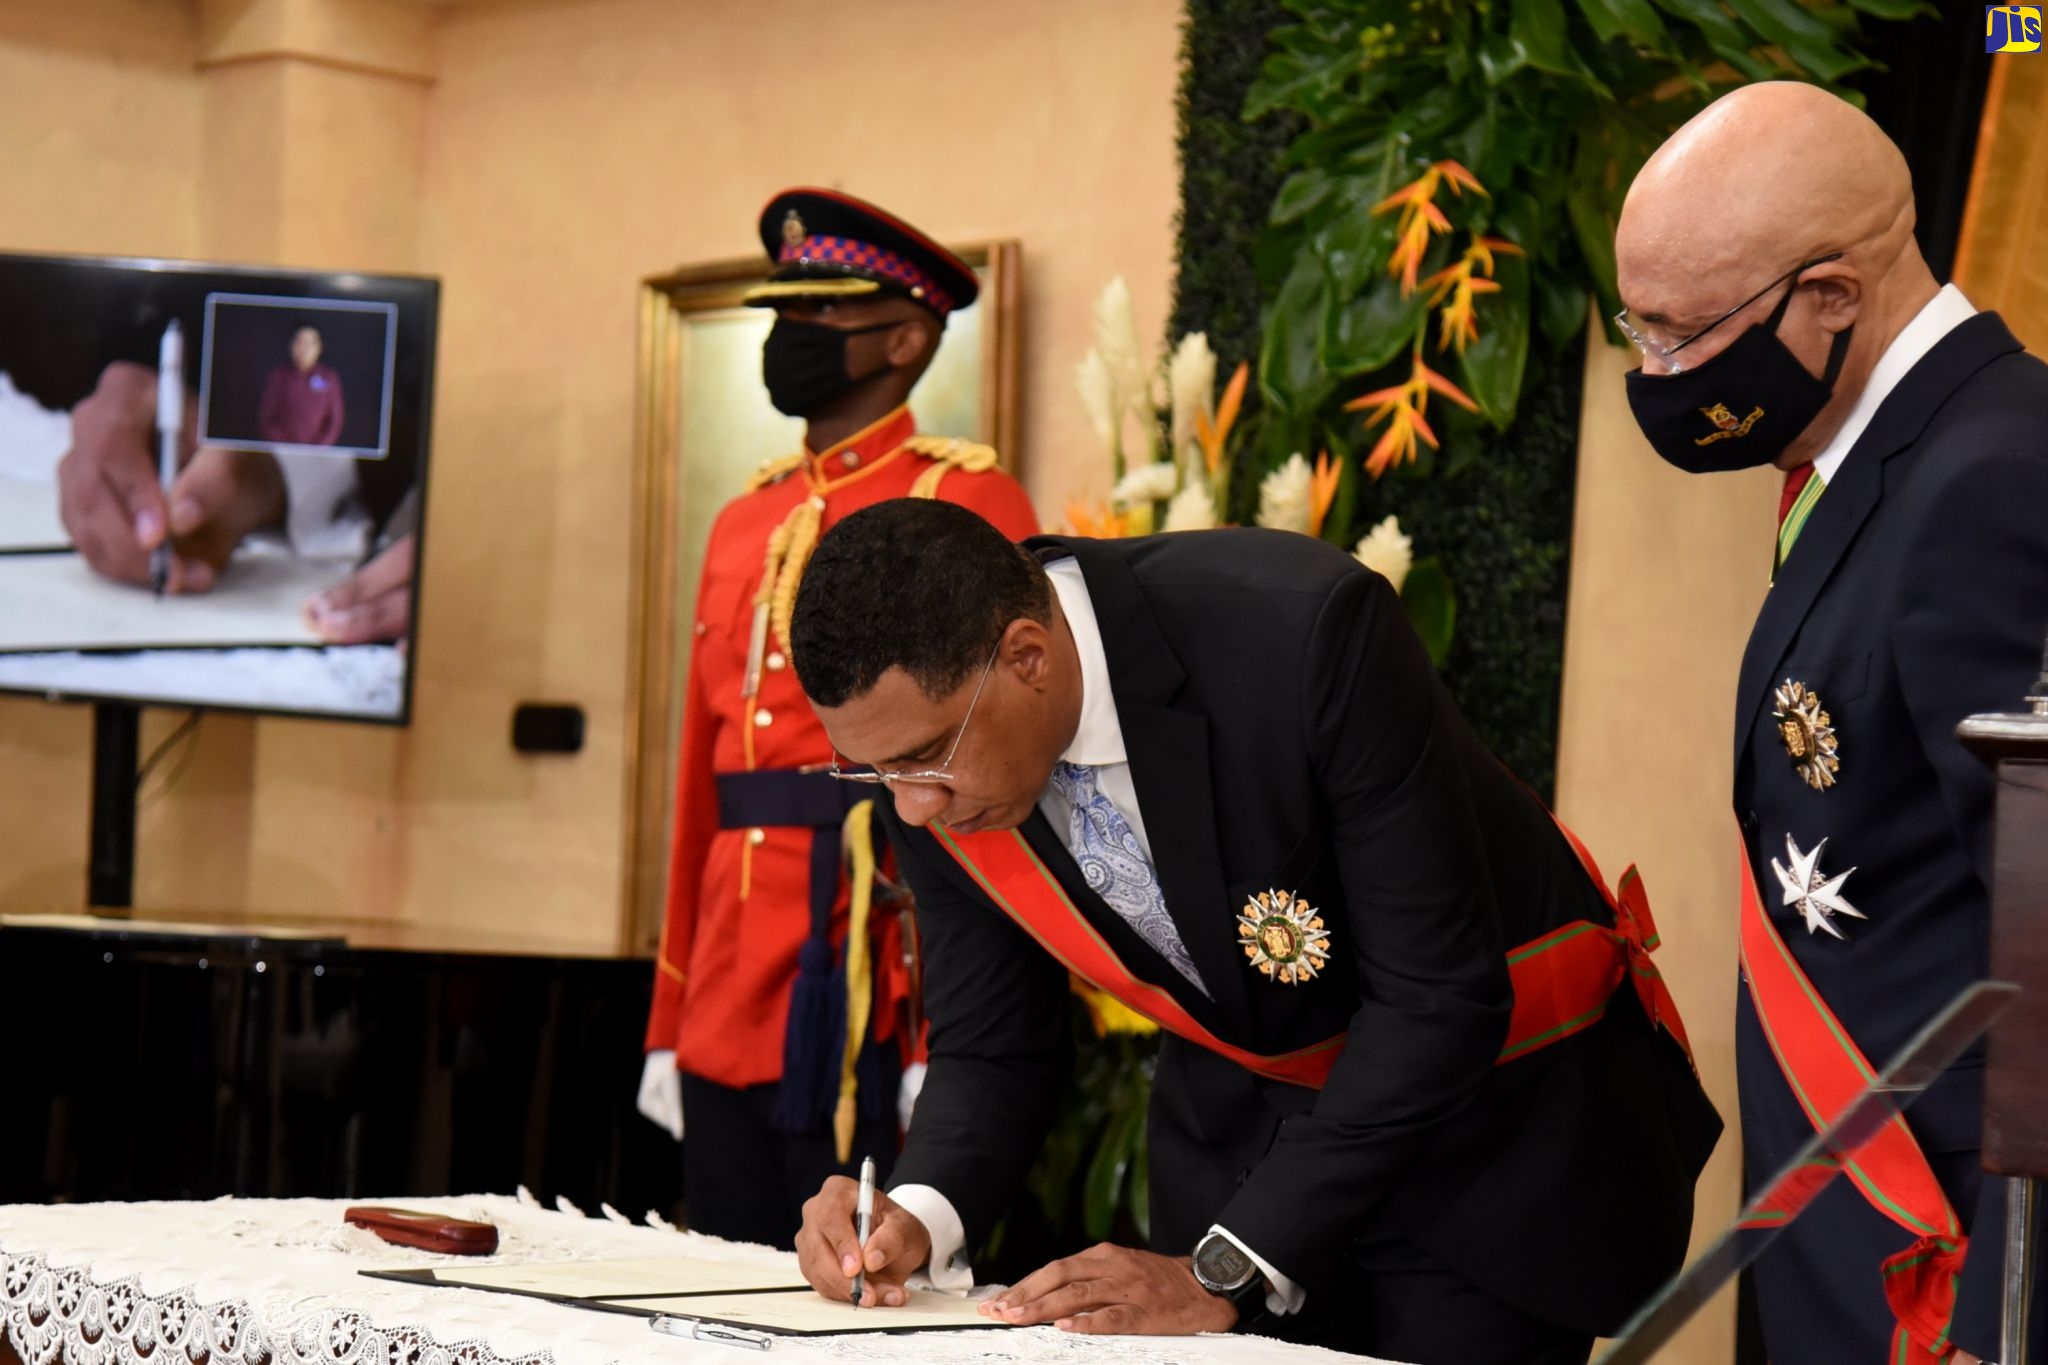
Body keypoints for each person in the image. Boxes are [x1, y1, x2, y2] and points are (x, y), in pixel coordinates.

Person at [782, 499, 1720, 1365]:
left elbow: (1436, 1000)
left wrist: (1226, 1265)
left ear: (1028, 656)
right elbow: (994, 1042)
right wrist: (916, 1212)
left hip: (1481, 1161)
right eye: (871, 772)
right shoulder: (935, 763)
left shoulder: (1302, 631)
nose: (911, 806)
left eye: (922, 760)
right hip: (1236, 1163)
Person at [1615, 81, 2048, 1364]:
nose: (1657, 374)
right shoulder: (1873, 457)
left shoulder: (1990, 478)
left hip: (1942, 1251)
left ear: (1831, 296)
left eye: (1683, 334)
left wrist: (2002, 1314)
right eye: (1638, 329)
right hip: (1848, 1215)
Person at [635, 189, 1040, 1250]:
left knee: (864, 1288)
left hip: (874, 968)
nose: (792, 335)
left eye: (819, 313)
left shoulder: (964, 499)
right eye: (785, 313)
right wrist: (670, 1013)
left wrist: (948, 1037)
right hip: (729, 986)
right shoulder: (743, 518)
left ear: (905, 338)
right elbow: (702, 783)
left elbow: (1001, 783)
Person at [257, 321, 346, 448]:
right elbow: (267, 418)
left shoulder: (329, 378)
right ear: (291, 346)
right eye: (300, 342)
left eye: (310, 343)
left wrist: (319, 448)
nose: (304, 348)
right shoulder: (278, 377)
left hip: (319, 452)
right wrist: (287, 449)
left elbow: (335, 420)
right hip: (282, 452)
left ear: (319, 347)